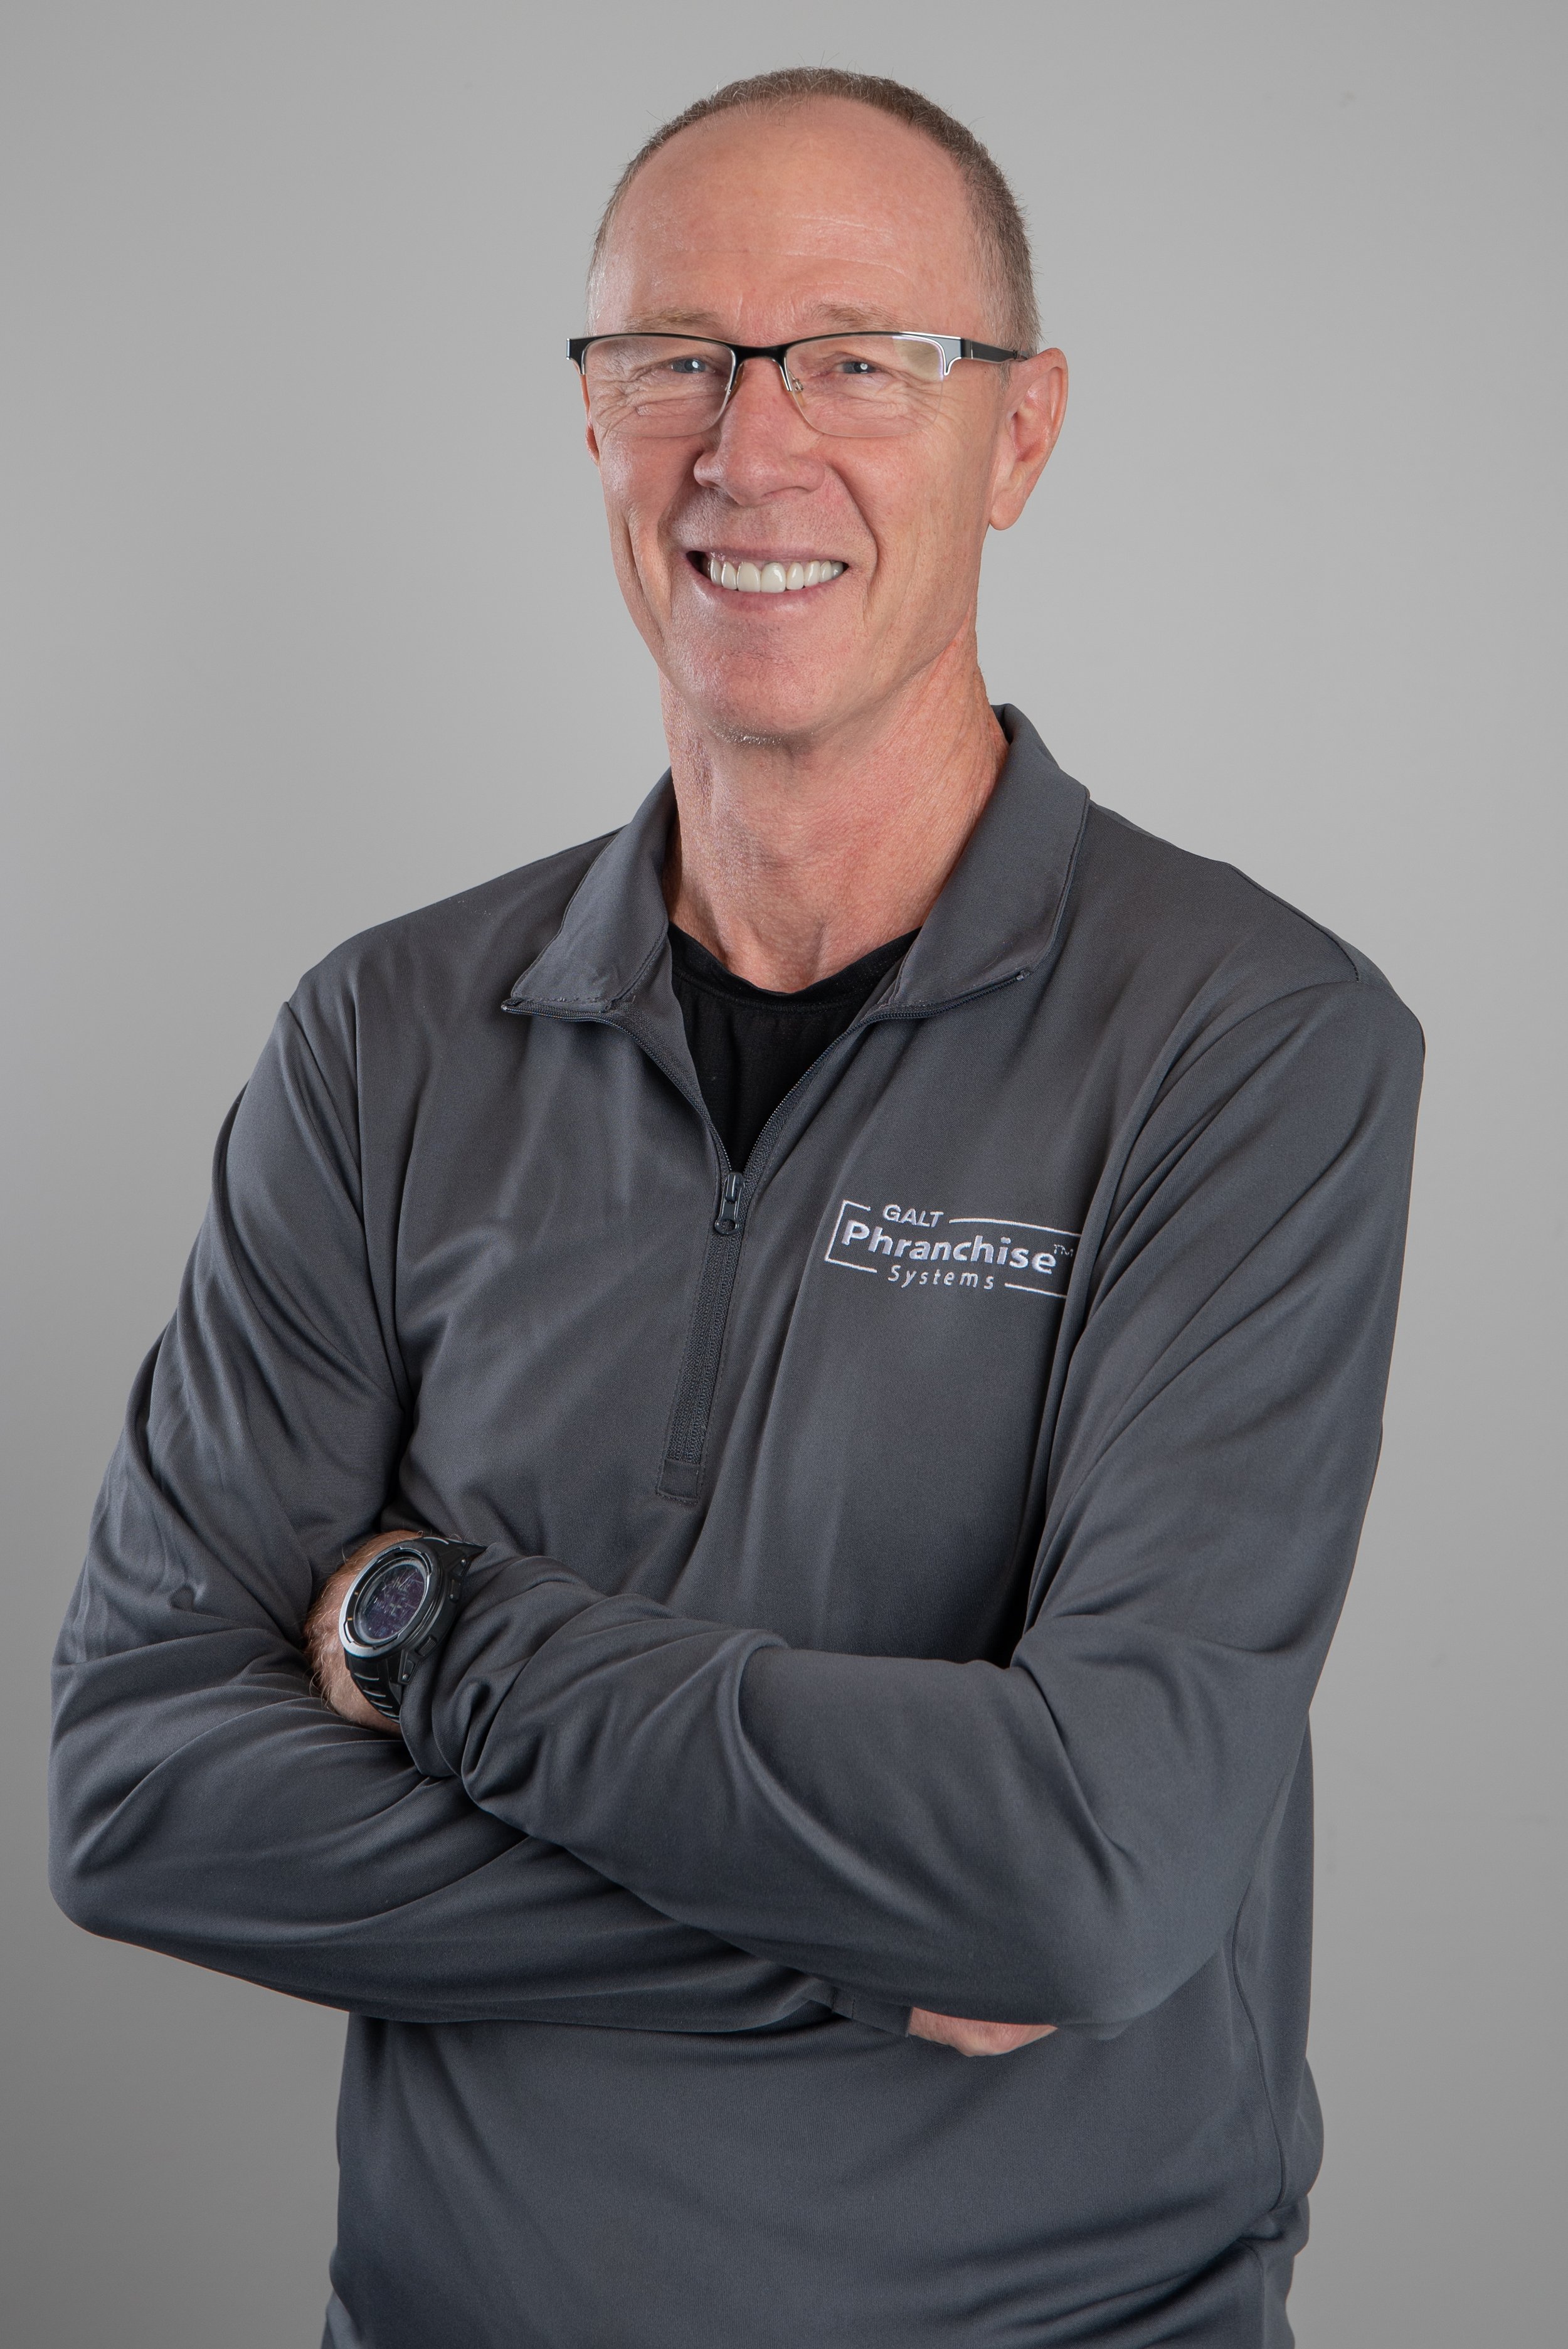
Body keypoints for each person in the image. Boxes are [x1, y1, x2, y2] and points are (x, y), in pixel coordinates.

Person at [48, 65, 1422, 2349]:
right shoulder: (386, 1035)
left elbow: (1091, 1868)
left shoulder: (1248, 1040)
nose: (746, 448)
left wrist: (432, 1631)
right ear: (593, 420)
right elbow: (137, 1792)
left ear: (1019, 432)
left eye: (857, 360)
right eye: (673, 358)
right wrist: (877, 1917)